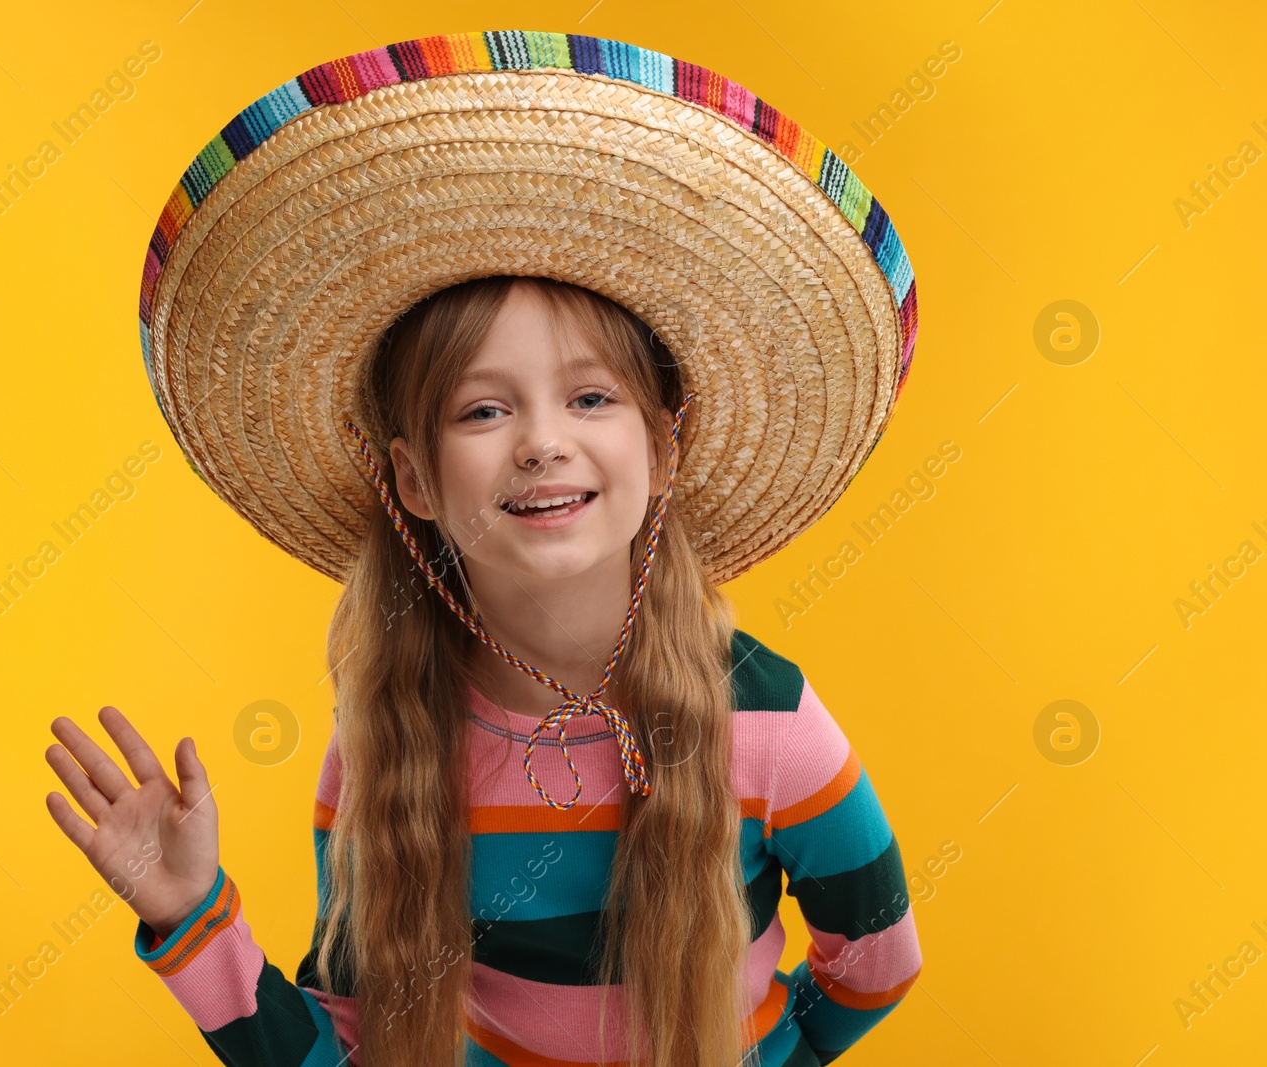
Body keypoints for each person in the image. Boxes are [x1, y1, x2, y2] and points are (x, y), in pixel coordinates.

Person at [47, 30, 923, 1067]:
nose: (543, 440)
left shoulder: (768, 722)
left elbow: (875, 958)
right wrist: (195, 913)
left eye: (590, 396)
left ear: (662, 443)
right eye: (482, 410)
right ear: (412, 480)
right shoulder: (384, 739)